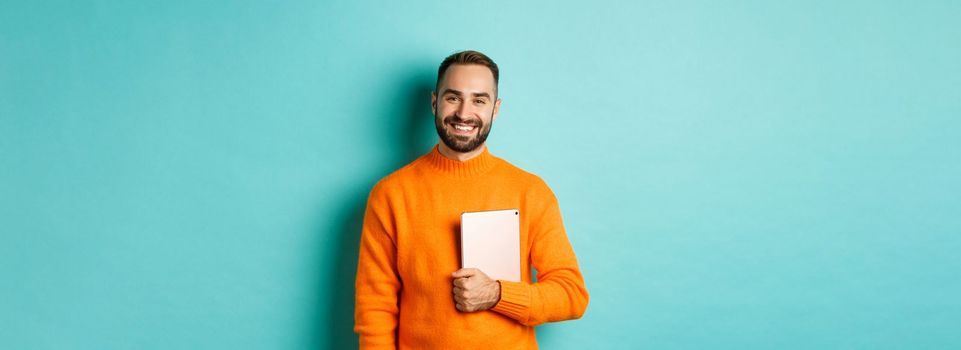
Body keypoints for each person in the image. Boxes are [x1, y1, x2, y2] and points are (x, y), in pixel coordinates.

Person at [354, 50, 589, 349]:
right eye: (453, 97)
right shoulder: (391, 194)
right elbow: (375, 308)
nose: (464, 113)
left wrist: (497, 294)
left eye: (479, 100)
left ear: (496, 109)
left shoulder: (530, 191)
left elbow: (572, 295)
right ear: (434, 102)